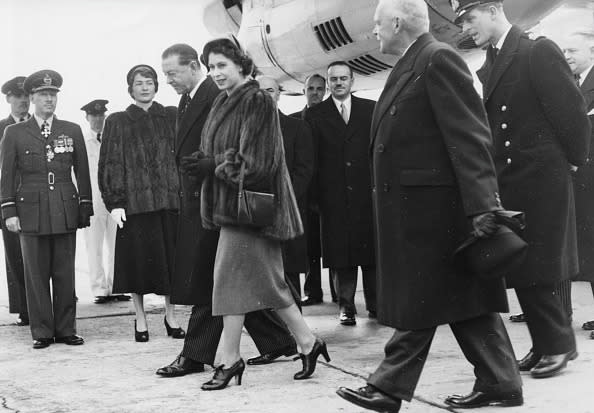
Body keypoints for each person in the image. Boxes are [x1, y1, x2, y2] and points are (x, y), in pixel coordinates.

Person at [336, 1, 523, 411]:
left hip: (437, 214)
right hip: (420, 211)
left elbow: (471, 136)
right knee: (465, 301)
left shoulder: (437, 58)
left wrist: (483, 207)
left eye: (378, 25)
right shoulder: (413, 61)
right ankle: (501, 383)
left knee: (422, 299)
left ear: (398, 23)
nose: (374, 32)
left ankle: (387, 388)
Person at [458, 0, 591, 378]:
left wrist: (571, 163)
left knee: (544, 266)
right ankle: (546, 343)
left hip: (543, 179)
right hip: (513, 180)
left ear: (494, 9)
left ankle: (559, 347)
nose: (466, 28)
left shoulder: (536, 50)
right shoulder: (492, 60)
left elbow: (572, 113)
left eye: (470, 18)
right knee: (524, 266)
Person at [156, 44, 298, 377]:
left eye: (172, 73)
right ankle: (284, 341)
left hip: (227, 198)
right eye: (213, 66)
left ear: (193, 67)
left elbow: (249, 154)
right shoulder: (199, 98)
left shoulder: (219, 95)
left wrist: (211, 165)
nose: (168, 80)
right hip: (210, 199)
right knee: (242, 279)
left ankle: (197, 354)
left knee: (215, 279)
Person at [196, 38, 329, 391]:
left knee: (228, 281)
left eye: (222, 65)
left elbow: (259, 164)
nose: (215, 73)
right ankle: (306, 341)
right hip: (235, 207)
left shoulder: (256, 102)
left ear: (241, 65)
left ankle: (229, 358)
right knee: (268, 283)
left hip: (250, 207)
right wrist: (205, 164)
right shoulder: (225, 101)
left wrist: (213, 165)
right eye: (211, 67)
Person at [0, 70, 93, 349]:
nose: (49, 99)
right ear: (32, 98)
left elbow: (83, 172)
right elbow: (6, 176)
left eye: (52, 95)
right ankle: (42, 331)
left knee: (65, 272)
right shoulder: (14, 133)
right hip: (30, 210)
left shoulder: (71, 129)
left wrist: (84, 205)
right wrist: (9, 211)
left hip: (64, 207)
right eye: (43, 95)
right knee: (36, 273)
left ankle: (66, 329)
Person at [98, 64, 184, 342]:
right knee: (136, 266)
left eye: (149, 82)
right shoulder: (118, 121)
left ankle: (171, 316)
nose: (145, 87)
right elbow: (110, 163)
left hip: (169, 204)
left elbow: (183, 159)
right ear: (130, 89)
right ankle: (141, 318)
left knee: (170, 265)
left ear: (156, 86)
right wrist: (115, 202)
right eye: (139, 83)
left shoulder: (172, 115)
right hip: (135, 208)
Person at [305, 61, 377, 326]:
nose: (338, 83)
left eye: (343, 78)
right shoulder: (315, 115)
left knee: (371, 255)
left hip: (365, 194)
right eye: (333, 79)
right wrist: (315, 197)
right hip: (333, 196)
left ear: (352, 81)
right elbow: (311, 159)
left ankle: (376, 304)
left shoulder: (370, 109)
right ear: (329, 83)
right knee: (341, 255)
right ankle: (346, 306)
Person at [258, 75, 314, 305]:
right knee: (259, 272)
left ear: (279, 94)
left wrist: (283, 197)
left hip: (287, 210)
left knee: (288, 271)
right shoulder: (243, 129)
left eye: (270, 91)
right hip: (256, 211)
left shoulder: (296, 127)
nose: (265, 96)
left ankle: (295, 326)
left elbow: (305, 170)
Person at [290, 74, 337, 306]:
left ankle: (338, 294)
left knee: (331, 242)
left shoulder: (334, 120)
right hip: (303, 192)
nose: (315, 93)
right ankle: (312, 290)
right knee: (308, 245)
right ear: (304, 90)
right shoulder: (294, 120)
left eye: (320, 89)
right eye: (311, 88)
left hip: (327, 190)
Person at [560, 30, 594, 337]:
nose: (566, 55)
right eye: (564, 51)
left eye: (572, 50)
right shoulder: (573, 83)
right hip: (580, 180)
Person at [80, 99, 129, 305]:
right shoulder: (82, 141)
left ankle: (116, 286)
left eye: (101, 116)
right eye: (94, 116)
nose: (98, 120)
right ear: (87, 117)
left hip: (114, 199)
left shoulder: (114, 140)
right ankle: (100, 288)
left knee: (117, 244)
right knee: (94, 245)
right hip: (92, 201)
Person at [0, 76, 30, 326]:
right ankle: (24, 308)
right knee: (15, 256)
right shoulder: (1, 128)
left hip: (37, 199)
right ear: (8, 98)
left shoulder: (42, 124)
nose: (22, 100)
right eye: (17, 96)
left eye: (25, 95)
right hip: (10, 201)